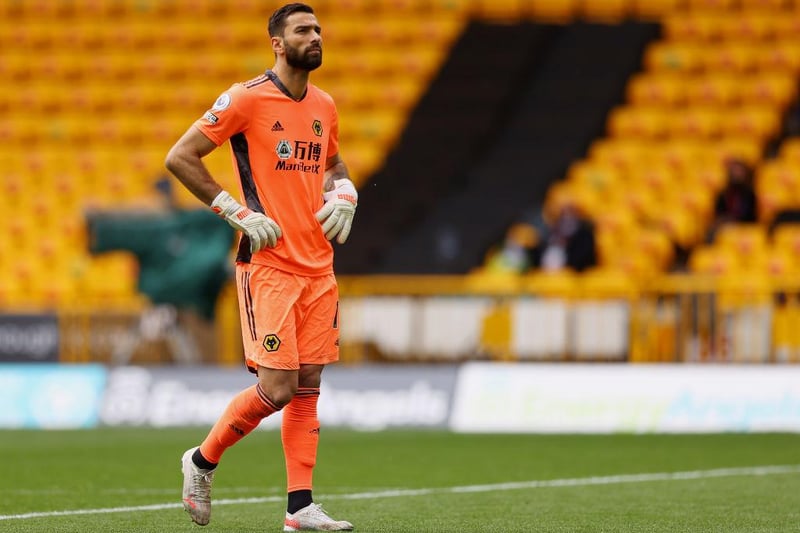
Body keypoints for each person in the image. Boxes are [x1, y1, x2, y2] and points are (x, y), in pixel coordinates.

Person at [164, 4, 357, 531]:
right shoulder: (246, 98)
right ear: (277, 42)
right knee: (276, 388)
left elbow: (333, 163)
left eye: (318, 29)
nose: (315, 37)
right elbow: (181, 156)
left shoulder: (325, 104)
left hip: (319, 266)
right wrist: (237, 212)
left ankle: (300, 508)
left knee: (308, 383)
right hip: (268, 266)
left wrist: (344, 189)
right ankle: (201, 460)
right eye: (303, 30)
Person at [86, 176, 235, 364]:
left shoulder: (184, 222)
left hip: (177, 299)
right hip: (161, 298)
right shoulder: (152, 225)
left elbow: (216, 222)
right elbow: (123, 227)